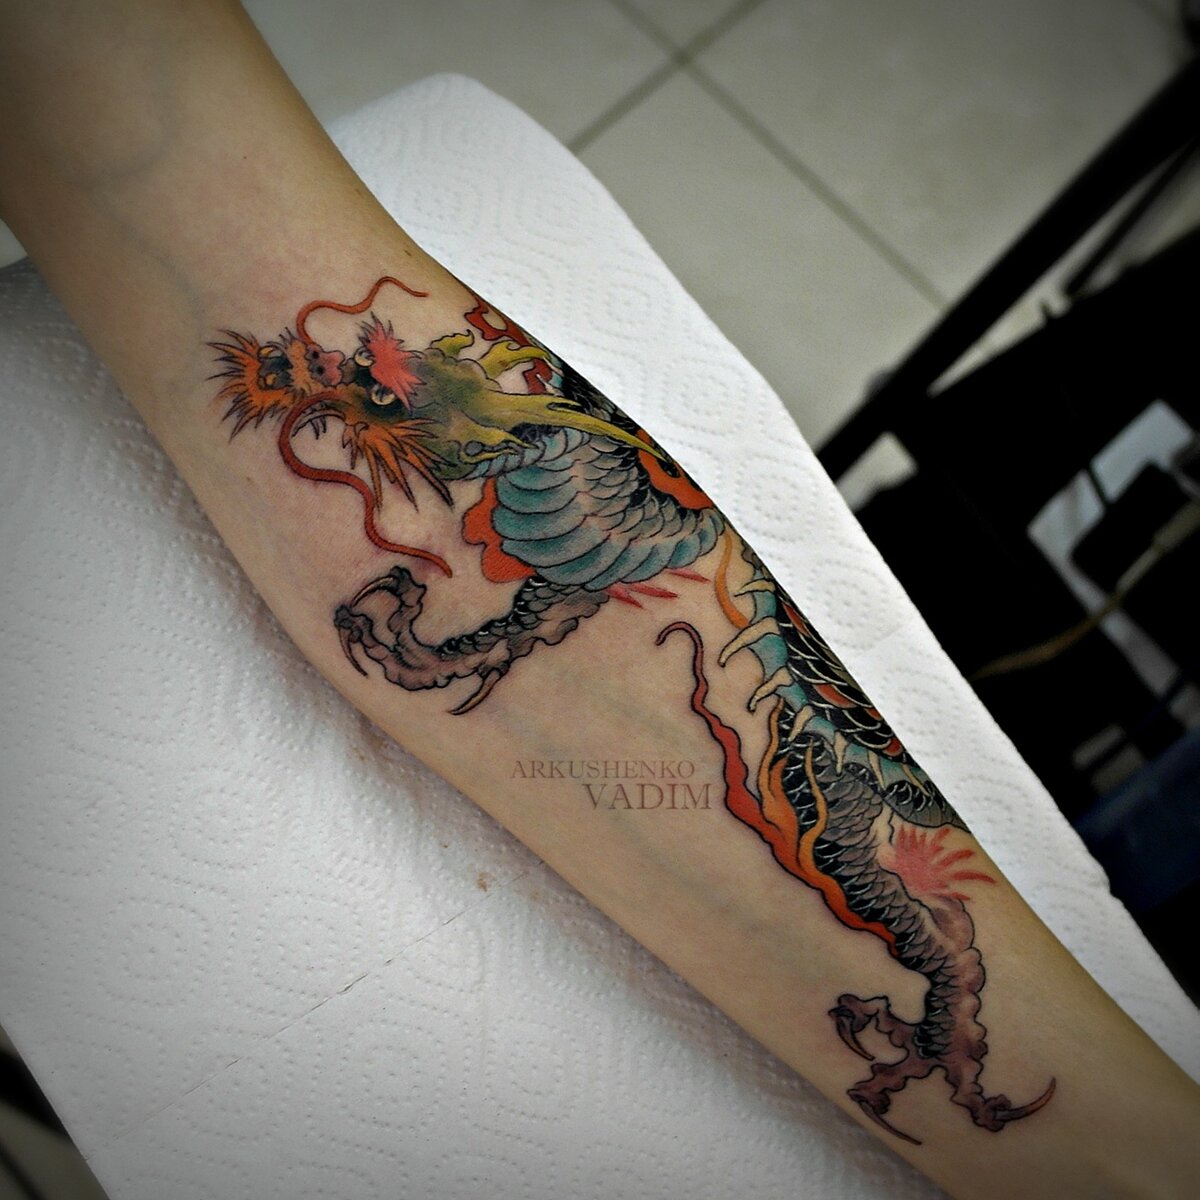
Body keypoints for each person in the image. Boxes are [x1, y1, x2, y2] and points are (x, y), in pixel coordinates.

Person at [0, 2, 1196, 1196]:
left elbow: (179, 174)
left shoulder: (562, 494)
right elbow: (215, 252)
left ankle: (964, 1033)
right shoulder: (499, 483)